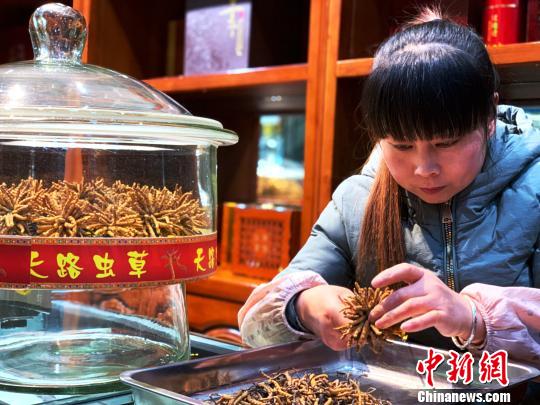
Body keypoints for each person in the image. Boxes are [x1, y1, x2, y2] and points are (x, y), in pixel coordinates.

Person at [238, 9, 540, 365]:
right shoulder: (357, 201)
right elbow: (254, 324)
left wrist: (472, 317)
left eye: (446, 143)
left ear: (490, 116)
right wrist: (303, 306)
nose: (424, 168)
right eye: (401, 145)